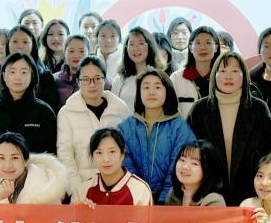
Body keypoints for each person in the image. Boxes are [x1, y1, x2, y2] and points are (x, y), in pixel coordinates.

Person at [187, 52, 271, 205]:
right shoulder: (199, 110)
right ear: (214, 75)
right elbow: (189, 154)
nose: (228, 76)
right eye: (222, 71)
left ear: (244, 75)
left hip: (250, 197)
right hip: (207, 198)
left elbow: (269, 155)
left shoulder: (258, 109)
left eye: (235, 71)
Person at [118, 69, 196, 202]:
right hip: (134, 199)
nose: (151, 92)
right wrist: (141, 195)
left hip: (171, 200)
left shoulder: (180, 128)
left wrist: (163, 201)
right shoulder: (125, 128)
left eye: (158, 87)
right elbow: (124, 164)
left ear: (167, 91)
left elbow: (178, 168)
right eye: (146, 87)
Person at [56, 56, 130, 183]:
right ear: (78, 81)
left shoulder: (120, 110)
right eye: (85, 79)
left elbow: (128, 151)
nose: (92, 84)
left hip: (117, 184)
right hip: (82, 185)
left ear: (105, 79)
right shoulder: (67, 113)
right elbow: (65, 155)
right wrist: (77, 189)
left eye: (97, 78)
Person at [0, 52, 57, 158]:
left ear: (32, 75)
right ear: (4, 76)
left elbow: (50, 153)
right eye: (12, 72)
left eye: (24, 72)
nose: (18, 77)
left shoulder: (44, 112)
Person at [0, 26, 62, 110]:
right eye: (15, 41)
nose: (20, 46)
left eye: (25, 42)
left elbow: (51, 108)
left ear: (33, 44)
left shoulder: (44, 75)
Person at [171, 26, 221, 118]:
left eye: (208, 43)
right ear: (190, 47)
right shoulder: (176, 78)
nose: (203, 47)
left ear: (216, 47)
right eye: (197, 43)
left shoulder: (222, 77)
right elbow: (171, 112)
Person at [112, 27, 166, 109]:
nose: (136, 48)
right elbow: (113, 109)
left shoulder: (161, 77)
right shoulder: (119, 79)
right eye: (131, 44)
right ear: (126, 48)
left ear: (150, 46)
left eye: (141, 43)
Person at [54, 34, 108, 105]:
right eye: (71, 51)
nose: (76, 55)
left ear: (89, 53)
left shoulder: (102, 81)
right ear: (64, 53)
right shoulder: (54, 80)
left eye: (81, 51)